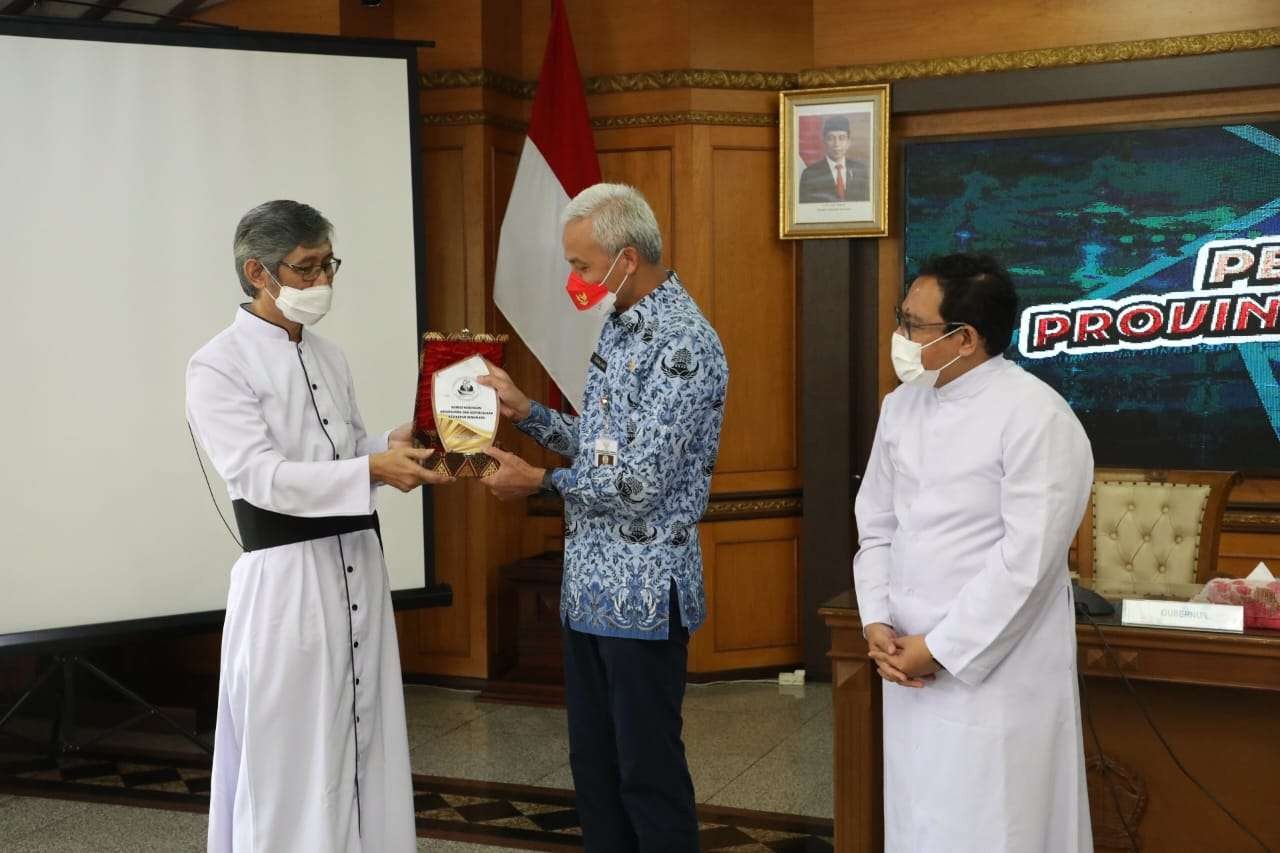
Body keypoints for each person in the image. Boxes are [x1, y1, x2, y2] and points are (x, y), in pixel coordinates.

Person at [186, 200, 451, 853]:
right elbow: (262, 476)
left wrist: (390, 442)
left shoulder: (330, 356)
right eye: (306, 269)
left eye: (329, 264)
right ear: (257, 272)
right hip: (287, 583)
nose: (322, 282)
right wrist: (371, 471)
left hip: (357, 560)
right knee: (293, 750)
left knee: (363, 736)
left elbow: (339, 446)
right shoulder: (217, 365)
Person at [476, 183, 728, 852]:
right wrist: (526, 410)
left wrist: (539, 480)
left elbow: (642, 481)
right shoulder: (621, 324)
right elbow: (605, 446)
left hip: (642, 591)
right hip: (589, 587)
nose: (574, 279)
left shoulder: (683, 343)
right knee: (595, 765)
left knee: (646, 769)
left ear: (625, 257)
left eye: (581, 264)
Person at [852, 253, 1094, 852]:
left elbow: (1028, 563)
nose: (900, 338)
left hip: (994, 673)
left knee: (995, 823)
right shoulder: (900, 406)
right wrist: (877, 618)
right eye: (901, 319)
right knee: (920, 820)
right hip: (904, 660)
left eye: (913, 325)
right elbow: (877, 522)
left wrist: (939, 648)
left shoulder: (1037, 416)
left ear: (965, 338)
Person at [798, 114, 869, 203]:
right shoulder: (810, 174)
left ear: (848, 142)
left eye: (842, 138)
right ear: (824, 141)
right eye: (831, 138)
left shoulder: (861, 170)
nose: (837, 144)